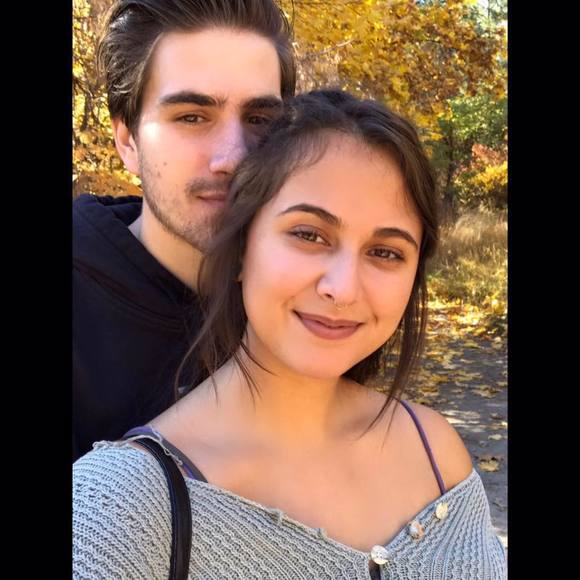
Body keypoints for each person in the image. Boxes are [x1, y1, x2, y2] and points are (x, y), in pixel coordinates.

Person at [73, 90, 507, 579]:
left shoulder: (436, 453)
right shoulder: (119, 509)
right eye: (309, 234)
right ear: (241, 248)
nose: (343, 289)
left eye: (385, 252)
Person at [73, 0, 296, 461]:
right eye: (191, 117)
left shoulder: (310, 293)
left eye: (259, 120)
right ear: (127, 141)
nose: (233, 158)